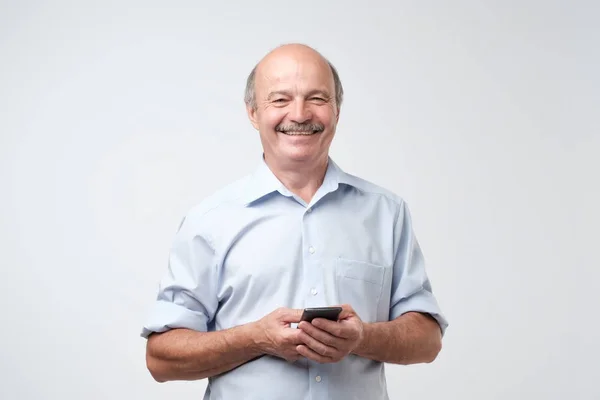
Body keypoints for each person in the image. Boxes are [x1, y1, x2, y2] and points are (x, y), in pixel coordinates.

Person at [141, 43, 448, 400]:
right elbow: (160, 359)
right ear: (253, 112)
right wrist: (255, 338)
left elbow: (427, 341)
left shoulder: (386, 212)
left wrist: (363, 337)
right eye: (280, 99)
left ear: (336, 109)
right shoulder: (209, 221)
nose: (300, 114)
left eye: (316, 98)